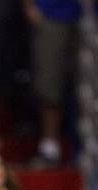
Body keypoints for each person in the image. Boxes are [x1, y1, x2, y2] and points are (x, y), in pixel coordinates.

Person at [23, 0, 81, 165]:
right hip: (51, 14)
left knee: (82, 91)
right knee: (50, 85)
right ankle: (50, 147)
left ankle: (79, 146)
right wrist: (29, 6)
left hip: (85, 18)